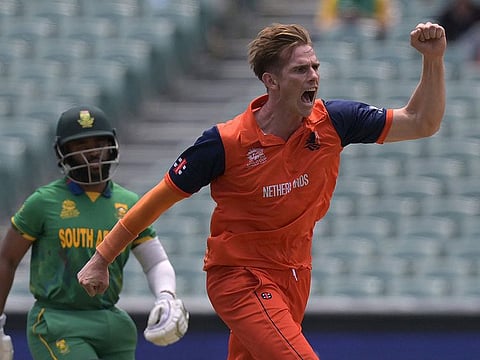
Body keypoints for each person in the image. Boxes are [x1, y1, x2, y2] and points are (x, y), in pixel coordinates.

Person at [78, 21, 446, 359]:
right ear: (271, 81)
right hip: (241, 277)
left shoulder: (334, 121)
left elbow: (421, 122)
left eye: (315, 67)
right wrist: (101, 258)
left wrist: (433, 60)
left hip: (296, 274)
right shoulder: (224, 142)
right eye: (301, 70)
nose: (313, 76)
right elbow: (158, 199)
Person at [0, 105, 189, 360]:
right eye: (80, 145)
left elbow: (155, 260)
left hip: (111, 319)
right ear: (63, 152)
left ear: (111, 145)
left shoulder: (129, 203)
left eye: (98, 143)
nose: (93, 153)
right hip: (58, 320)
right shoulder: (42, 202)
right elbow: (7, 259)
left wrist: (166, 295)